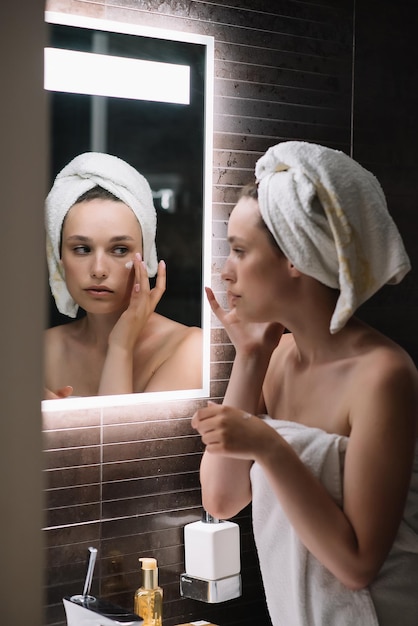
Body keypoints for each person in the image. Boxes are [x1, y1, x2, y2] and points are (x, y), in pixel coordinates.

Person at [192, 141, 418, 625]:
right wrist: (250, 358)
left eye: (239, 250)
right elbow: (221, 500)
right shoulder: (277, 360)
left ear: (294, 258)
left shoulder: (383, 376)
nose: (224, 270)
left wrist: (271, 448)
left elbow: (358, 566)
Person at [44, 152, 202, 398]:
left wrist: (120, 348)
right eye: (82, 249)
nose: (98, 270)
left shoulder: (190, 349)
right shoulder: (41, 351)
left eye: (119, 250)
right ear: (59, 257)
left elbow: (126, 437)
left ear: (145, 254)